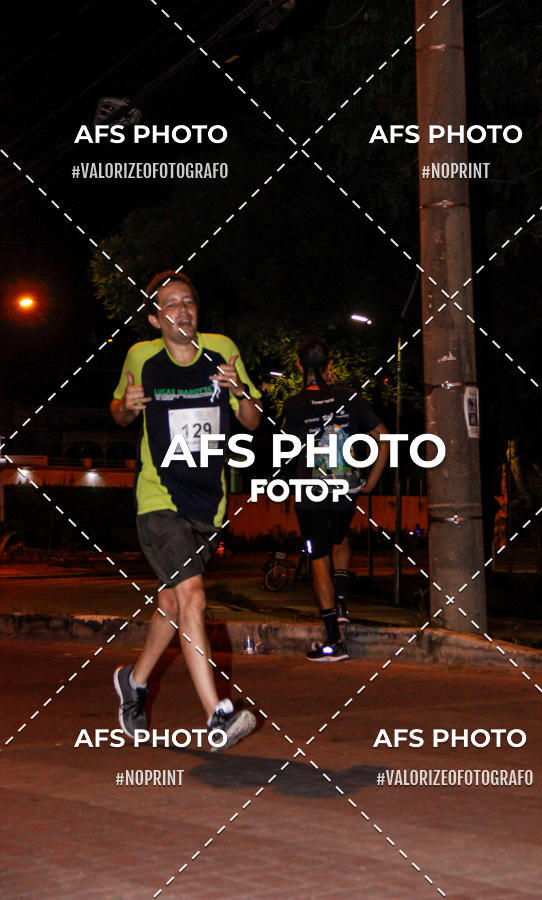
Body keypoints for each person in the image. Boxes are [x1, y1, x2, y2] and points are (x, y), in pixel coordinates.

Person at [110, 270, 261, 749]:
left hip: (207, 505)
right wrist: (127, 406)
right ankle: (217, 715)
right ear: (156, 319)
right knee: (192, 596)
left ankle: (133, 682)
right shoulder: (141, 356)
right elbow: (119, 411)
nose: (183, 310)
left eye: (189, 301)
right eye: (171, 304)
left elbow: (253, 421)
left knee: (173, 603)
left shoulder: (222, 349)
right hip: (159, 498)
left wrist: (238, 391)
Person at [283, 337, 389, 661]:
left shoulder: (293, 405)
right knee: (340, 538)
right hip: (347, 488)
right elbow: (384, 438)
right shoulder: (349, 396)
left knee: (318, 557)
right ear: (329, 365)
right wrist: (370, 482)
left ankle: (333, 641)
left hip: (311, 491)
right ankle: (341, 603)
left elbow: (292, 450)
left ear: (299, 367)